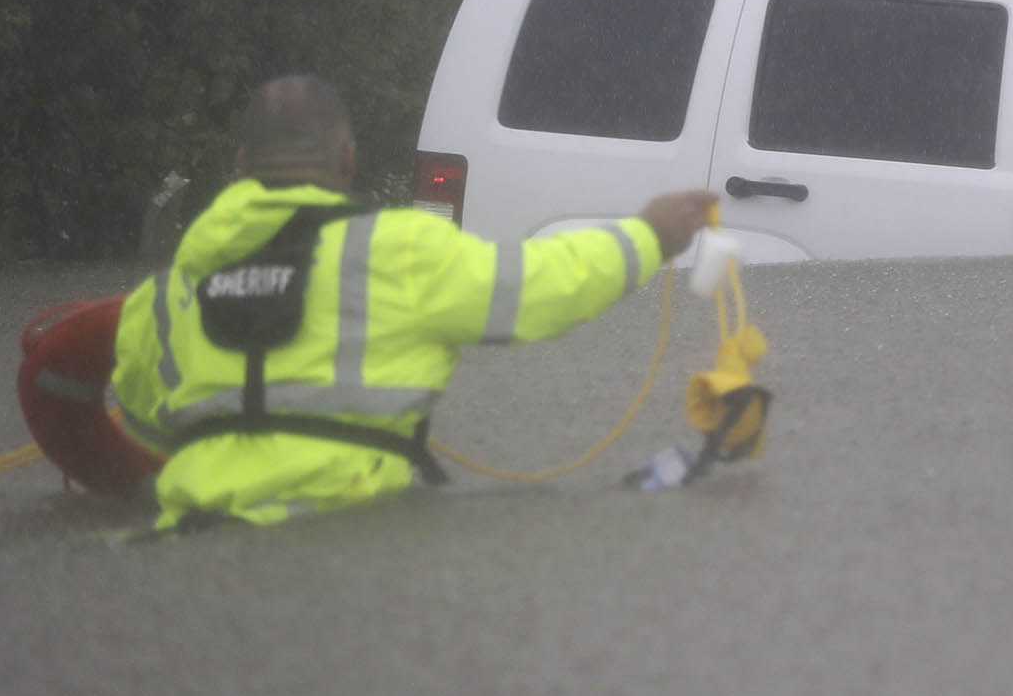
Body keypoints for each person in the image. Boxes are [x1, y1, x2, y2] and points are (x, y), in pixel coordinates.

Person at [109, 73, 716, 531]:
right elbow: (535, 288)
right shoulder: (398, 251)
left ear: (242, 166)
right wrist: (650, 236)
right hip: (341, 526)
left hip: (188, 535)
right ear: (348, 158)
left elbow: (139, 421)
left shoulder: (160, 295)